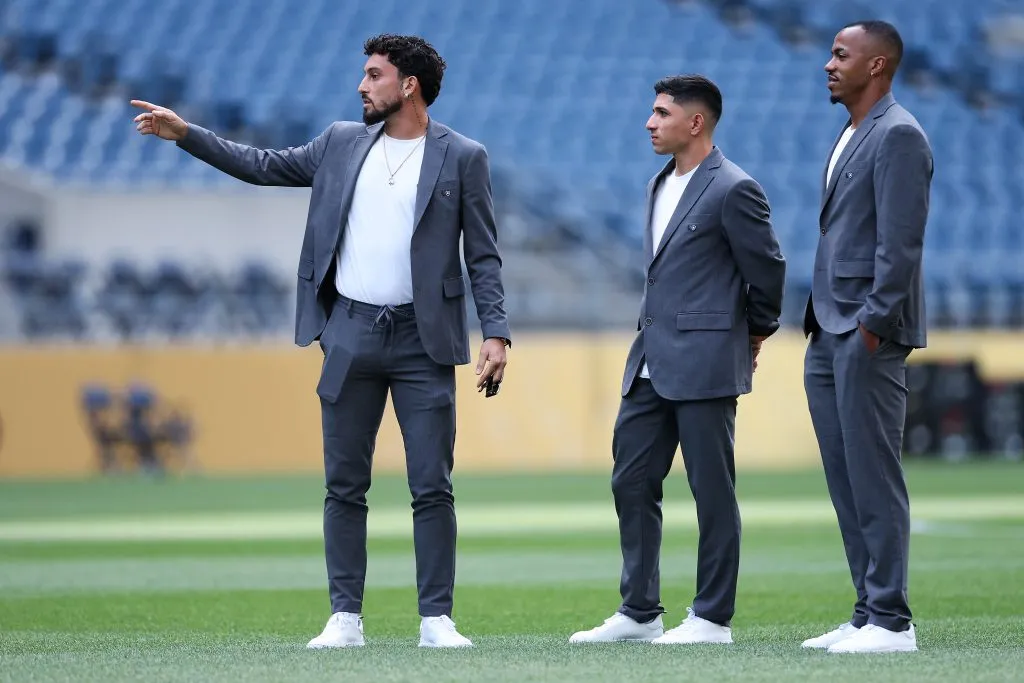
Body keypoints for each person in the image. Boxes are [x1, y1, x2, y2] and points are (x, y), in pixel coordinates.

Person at [130, 33, 511, 649]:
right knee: (344, 484)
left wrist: (496, 332)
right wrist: (188, 135)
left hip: (424, 342)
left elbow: (483, 255)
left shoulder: (464, 156)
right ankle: (345, 619)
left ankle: (436, 620)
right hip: (350, 333)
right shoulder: (339, 142)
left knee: (431, 485)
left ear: (409, 85)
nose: (362, 85)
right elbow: (262, 166)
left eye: (374, 75)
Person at [569, 75, 786, 645]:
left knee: (711, 491)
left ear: (695, 122)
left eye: (662, 113)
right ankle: (640, 612)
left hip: (706, 362)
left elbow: (768, 271)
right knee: (631, 481)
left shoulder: (734, 188)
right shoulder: (657, 183)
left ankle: (712, 619)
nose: (649, 122)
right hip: (650, 360)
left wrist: (754, 334)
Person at [801, 20, 932, 654]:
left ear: (876, 65)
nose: (829, 64)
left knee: (874, 475)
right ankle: (866, 612)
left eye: (840, 55)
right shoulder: (854, 131)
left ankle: (892, 622)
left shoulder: (899, 134)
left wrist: (874, 326)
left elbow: (901, 243)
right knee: (845, 477)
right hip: (829, 328)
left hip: (864, 330)